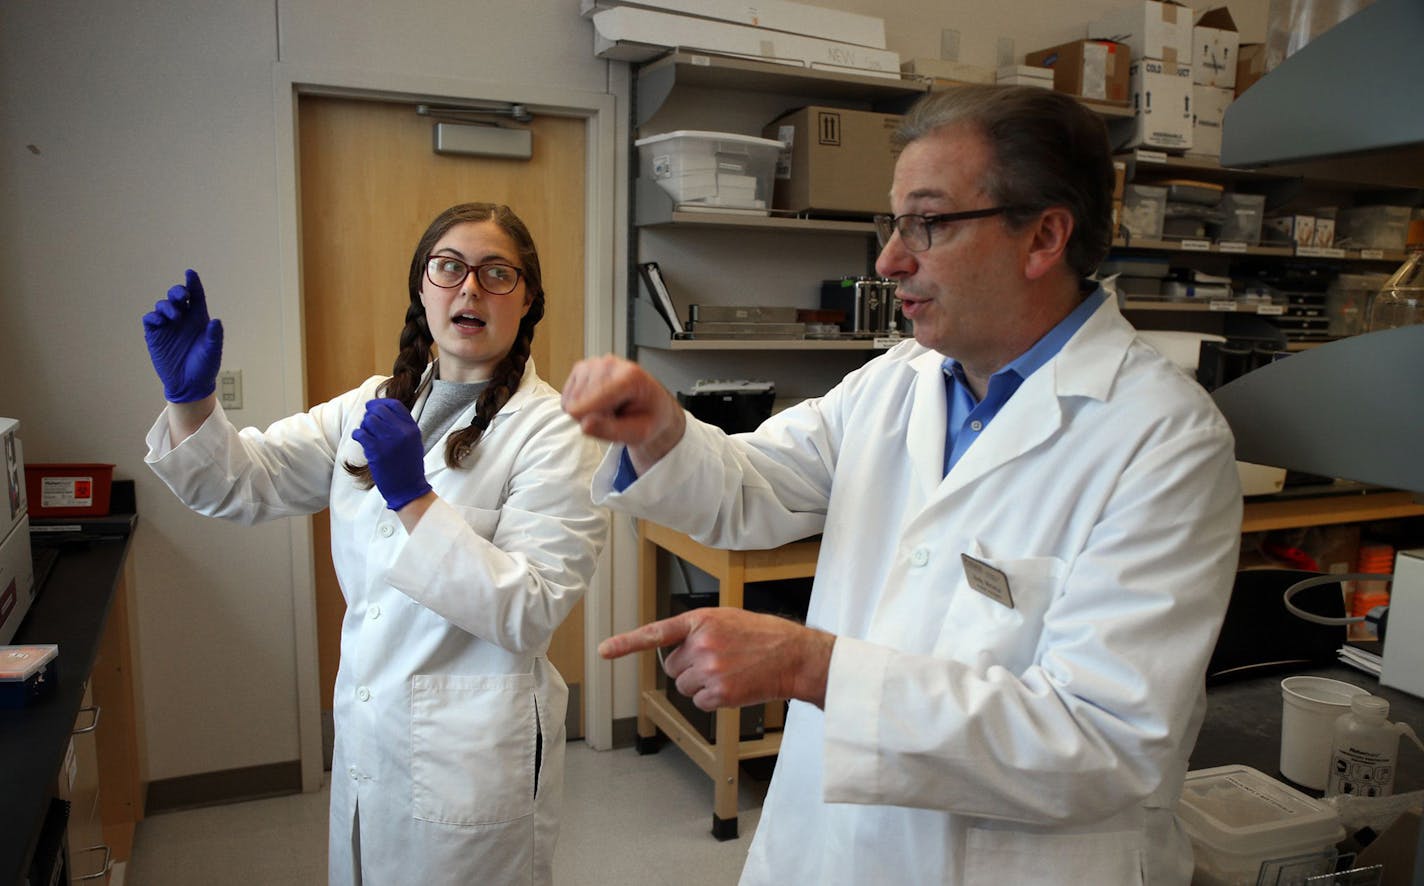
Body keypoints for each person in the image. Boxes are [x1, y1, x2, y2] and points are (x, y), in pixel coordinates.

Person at [562, 85, 1243, 884]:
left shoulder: (1164, 441)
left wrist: (810, 667)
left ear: (1044, 237)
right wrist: (661, 430)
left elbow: (1102, 741)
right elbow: (754, 486)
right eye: (892, 223)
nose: (889, 259)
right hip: (829, 847)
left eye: (928, 222)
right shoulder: (900, 380)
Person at [142, 203, 609, 885]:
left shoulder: (559, 433)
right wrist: (191, 399)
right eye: (449, 268)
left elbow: (529, 609)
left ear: (528, 299)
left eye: (497, 273)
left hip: (473, 754)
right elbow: (240, 485)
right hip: (373, 735)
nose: (470, 288)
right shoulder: (369, 406)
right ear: (423, 287)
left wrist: (414, 500)